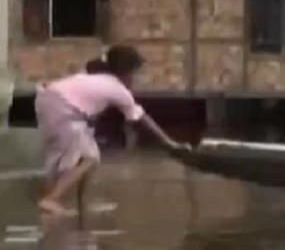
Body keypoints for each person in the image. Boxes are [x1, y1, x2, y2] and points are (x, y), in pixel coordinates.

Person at [35, 44, 186, 217]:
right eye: (135, 74)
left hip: (49, 100)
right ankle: (51, 199)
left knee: (81, 155)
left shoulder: (96, 76)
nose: (135, 79)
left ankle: (80, 202)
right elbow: (140, 118)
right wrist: (169, 143)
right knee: (90, 158)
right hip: (63, 108)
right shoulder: (117, 89)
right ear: (126, 73)